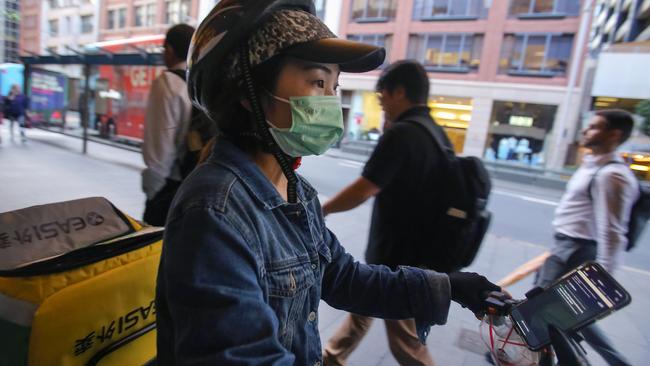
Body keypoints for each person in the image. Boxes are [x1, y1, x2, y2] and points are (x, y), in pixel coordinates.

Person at [154, 1, 500, 365]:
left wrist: (447, 287)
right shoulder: (214, 213)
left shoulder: (296, 192)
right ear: (247, 92)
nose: (331, 103)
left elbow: (343, 277)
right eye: (318, 81)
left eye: (334, 86)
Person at [320, 60, 455, 366]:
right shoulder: (437, 135)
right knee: (361, 312)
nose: (381, 104)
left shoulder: (403, 134)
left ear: (399, 92)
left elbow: (364, 188)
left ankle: (331, 357)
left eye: (382, 98)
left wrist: (323, 208)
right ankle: (331, 357)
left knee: (406, 343)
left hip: (398, 262)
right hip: (416, 254)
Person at [535, 110, 639, 366]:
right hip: (565, 247)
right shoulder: (594, 164)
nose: (585, 131)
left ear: (613, 134)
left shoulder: (612, 176)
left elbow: (612, 232)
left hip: (575, 252)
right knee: (573, 314)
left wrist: (602, 279)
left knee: (543, 308)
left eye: (594, 127)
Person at [141, 24, 195, 226]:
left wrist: (152, 193)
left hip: (170, 188)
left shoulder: (167, 83)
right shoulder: (200, 81)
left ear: (170, 50)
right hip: (198, 184)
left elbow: (160, 150)